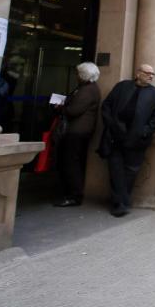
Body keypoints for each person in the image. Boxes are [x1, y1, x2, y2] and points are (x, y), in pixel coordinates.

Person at [98, 64, 155, 217]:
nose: (151, 76)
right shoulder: (122, 87)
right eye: (148, 73)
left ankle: (122, 201)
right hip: (115, 136)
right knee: (115, 169)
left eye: (153, 74)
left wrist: (145, 131)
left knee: (131, 171)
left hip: (137, 139)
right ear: (138, 73)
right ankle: (119, 203)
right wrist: (111, 124)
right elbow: (106, 105)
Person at [54, 61, 101, 207]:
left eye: (78, 73)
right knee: (71, 162)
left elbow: (73, 110)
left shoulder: (88, 90)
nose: (76, 76)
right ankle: (72, 194)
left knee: (71, 163)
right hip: (78, 131)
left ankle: (73, 196)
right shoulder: (86, 88)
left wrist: (60, 108)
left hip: (76, 132)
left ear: (83, 75)